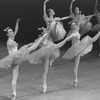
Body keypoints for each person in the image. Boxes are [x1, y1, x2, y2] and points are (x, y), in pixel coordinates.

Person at [0, 31, 48, 100]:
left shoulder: (11, 39)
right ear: (8, 34)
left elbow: (15, 31)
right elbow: (12, 47)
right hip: (15, 57)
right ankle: (41, 39)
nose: (12, 32)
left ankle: (14, 93)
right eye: (10, 32)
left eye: (12, 31)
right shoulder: (9, 41)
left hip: (13, 59)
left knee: (15, 76)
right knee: (30, 49)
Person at [27, 26, 77, 93]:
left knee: (56, 46)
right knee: (45, 71)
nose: (46, 30)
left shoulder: (49, 36)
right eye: (44, 30)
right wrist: (28, 47)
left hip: (50, 50)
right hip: (43, 54)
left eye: (45, 29)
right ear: (42, 32)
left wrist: (55, 24)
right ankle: (44, 84)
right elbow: (34, 44)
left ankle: (44, 84)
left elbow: (51, 30)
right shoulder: (41, 38)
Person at [63, 22, 100, 87]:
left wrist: (85, 20)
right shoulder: (72, 33)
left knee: (76, 66)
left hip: (79, 46)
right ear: (71, 27)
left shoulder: (76, 29)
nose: (75, 25)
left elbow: (79, 22)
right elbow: (68, 38)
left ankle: (75, 79)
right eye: (73, 25)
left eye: (75, 24)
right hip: (76, 47)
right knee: (76, 66)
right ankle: (99, 33)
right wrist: (69, 37)